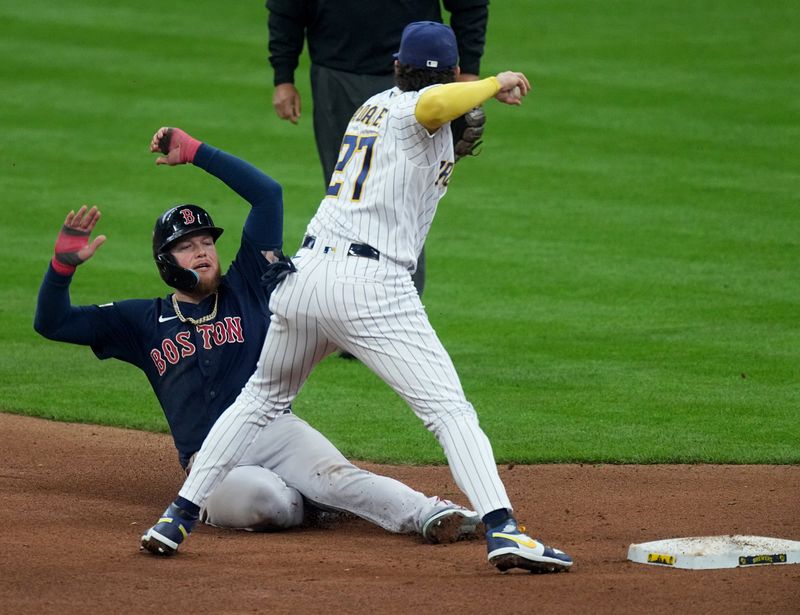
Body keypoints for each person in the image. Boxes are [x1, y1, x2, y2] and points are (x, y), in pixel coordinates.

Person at [143, 22, 573, 574]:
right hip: (370, 288)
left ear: (396, 65)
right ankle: (504, 530)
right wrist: (496, 80)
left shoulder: (372, 105)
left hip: (307, 277)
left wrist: (452, 128)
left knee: (260, 399)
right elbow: (435, 101)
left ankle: (176, 517)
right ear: (448, 75)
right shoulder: (419, 108)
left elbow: (424, 129)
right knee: (449, 412)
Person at [33, 126, 482, 554]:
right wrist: (62, 269)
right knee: (271, 503)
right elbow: (53, 323)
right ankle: (306, 499)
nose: (203, 250)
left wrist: (195, 152)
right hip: (210, 461)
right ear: (165, 261)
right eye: (187, 246)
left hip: (274, 430)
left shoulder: (248, 284)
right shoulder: (141, 320)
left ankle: (431, 512)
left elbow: (268, 194)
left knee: (338, 476)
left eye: (206, 241)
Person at [267, 0, 489, 299]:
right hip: (338, 69)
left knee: (381, 200)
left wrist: (470, 74)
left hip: (403, 72)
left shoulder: (378, 103)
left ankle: (356, 310)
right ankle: (366, 312)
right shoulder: (403, 103)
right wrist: (492, 83)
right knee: (376, 199)